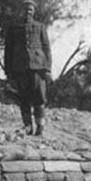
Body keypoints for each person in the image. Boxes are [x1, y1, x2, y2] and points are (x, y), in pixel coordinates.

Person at [3, 0, 52, 136]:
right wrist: (8, 72)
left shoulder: (40, 27)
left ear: (34, 12)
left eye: (30, 10)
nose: (28, 12)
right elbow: (8, 51)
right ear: (21, 11)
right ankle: (28, 126)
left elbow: (47, 49)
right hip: (20, 68)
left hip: (38, 68)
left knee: (39, 97)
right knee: (23, 98)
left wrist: (47, 69)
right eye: (25, 10)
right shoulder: (14, 28)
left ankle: (40, 126)